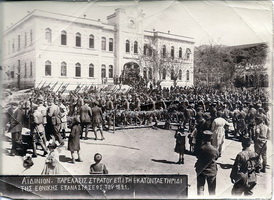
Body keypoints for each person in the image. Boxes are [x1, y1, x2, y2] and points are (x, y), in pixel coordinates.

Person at [195, 130, 219, 196]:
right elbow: (216, 157)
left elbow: (197, 156)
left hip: (201, 170)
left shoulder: (200, 148)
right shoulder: (214, 150)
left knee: (200, 188)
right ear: (211, 138)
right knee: (212, 190)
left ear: (203, 138)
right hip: (211, 171)